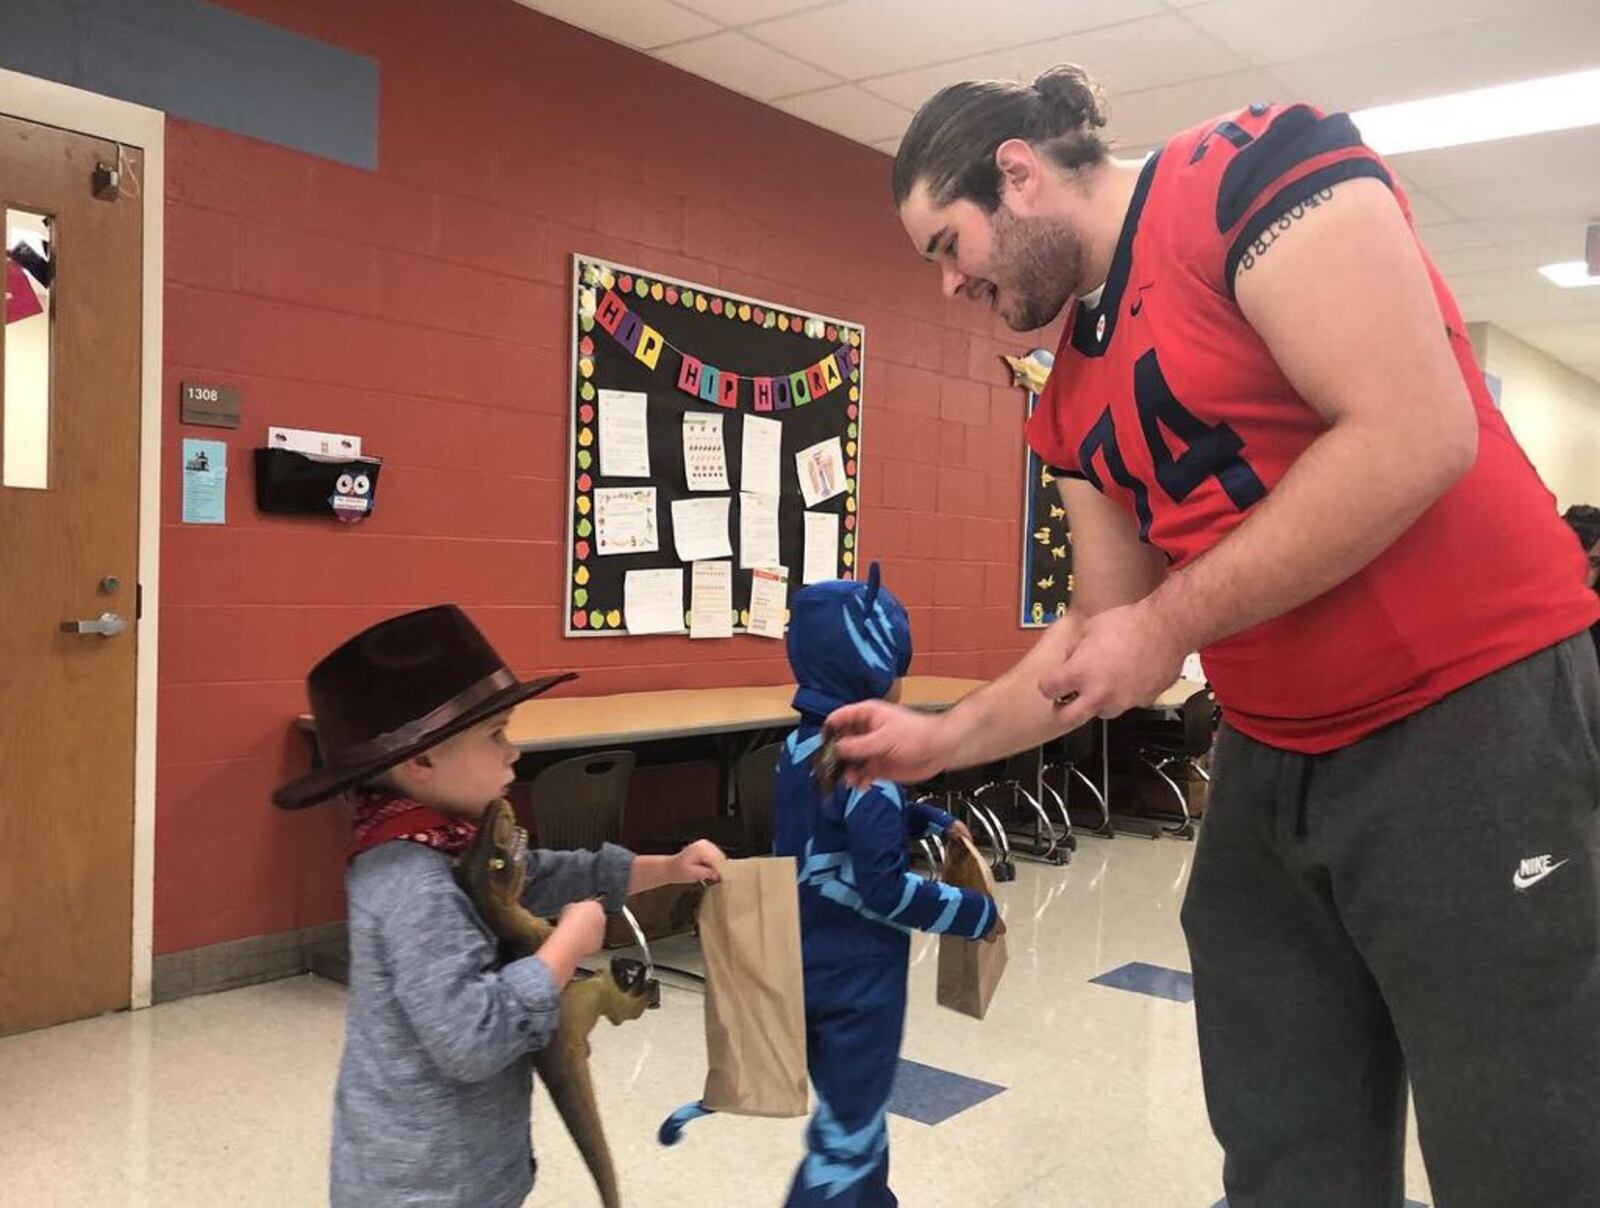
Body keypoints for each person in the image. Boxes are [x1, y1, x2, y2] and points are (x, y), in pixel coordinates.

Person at [828, 66, 1600, 1206]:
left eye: (949, 243)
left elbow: (1412, 429)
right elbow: (1099, 627)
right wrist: (941, 739)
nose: (950, 283)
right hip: (1272, 753)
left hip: (1468, 710)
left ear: (1018, 174)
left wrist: (1166, 623)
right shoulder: (1067, 398)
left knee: (1521, 1133)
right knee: (1284, 1136)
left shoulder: (1251, 175)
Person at [271, 605, 723, 1208]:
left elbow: (537, 877)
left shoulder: (446, 842)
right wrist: (565, 948)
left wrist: (664, 869)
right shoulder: (411, 881)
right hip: (425, 1184)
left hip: (471, 1166)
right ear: (421, 761)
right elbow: (472, 1038)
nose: (514, 753)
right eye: (495, 735)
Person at [773, 566, 1001, 1207]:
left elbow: (830, 828)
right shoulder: (870, 776)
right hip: (859, 983)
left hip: (808, 965)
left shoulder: (798, 750)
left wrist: (923, 816)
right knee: (846, 1137)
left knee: (857, 1114)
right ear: (874, 669)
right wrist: (971, 912)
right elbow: (884, 889)